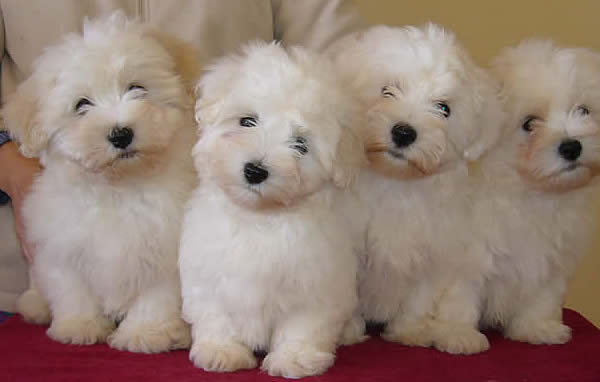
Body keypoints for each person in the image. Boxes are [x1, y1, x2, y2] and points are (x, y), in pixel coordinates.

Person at [0, 0, 364, 312]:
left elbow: (335, 77)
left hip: (251, 238)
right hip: (22, 276)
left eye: (137, 90)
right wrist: (13, 167)